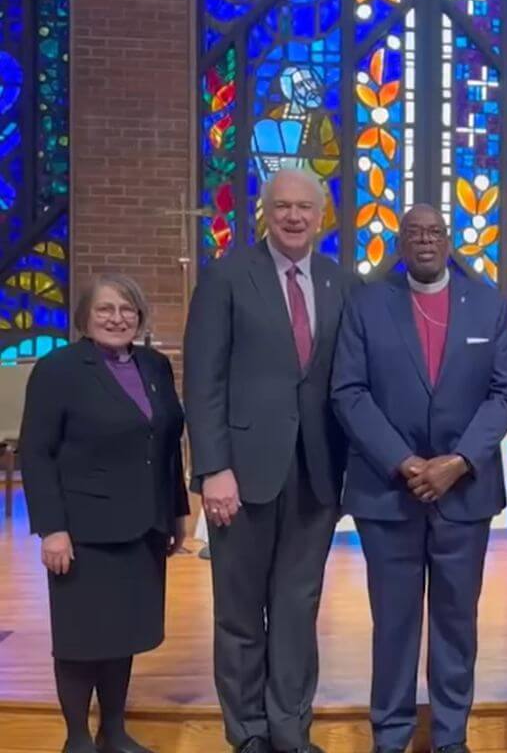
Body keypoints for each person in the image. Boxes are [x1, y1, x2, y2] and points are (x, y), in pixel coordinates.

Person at [330, 204, 507, 753]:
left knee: (456, 625)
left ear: (449, 239)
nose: (425, 240)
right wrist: (405, 461)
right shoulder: (366, 303)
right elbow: (349, 391)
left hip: (465, 491)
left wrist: (458, 461)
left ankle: (450, 737)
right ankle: (390, 736)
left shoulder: (488, 304)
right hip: (389, 492)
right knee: (394, 624)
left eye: (434, 231)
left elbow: (504, 393)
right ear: (400, 242)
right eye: (414, 232)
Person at [184, 167, 356, 753]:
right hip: (242, 471)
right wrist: (213, 467)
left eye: (305, 207)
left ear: (322, 214)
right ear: (264, 210)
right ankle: (248, 733)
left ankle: (289, 729)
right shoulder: (227, 278)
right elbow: (203, 380)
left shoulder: (340, 283)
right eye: (282, 205)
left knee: (296, 609)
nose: (293, 216)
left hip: (316, 473)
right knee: (238, 614)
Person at [20, 275, 187, 753]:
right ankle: (77, 738)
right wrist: (52, 529)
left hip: (145, 525)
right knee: (80, 639)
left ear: (139, 316)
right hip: (84, 529)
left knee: (122, 634)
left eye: (127, 310)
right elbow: (36, 452)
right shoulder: (60, 369)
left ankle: (113, 731)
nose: (118, 319)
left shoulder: (155, 366)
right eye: (106, 310)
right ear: (85, 319)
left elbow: (167, 447)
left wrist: (176, 513)